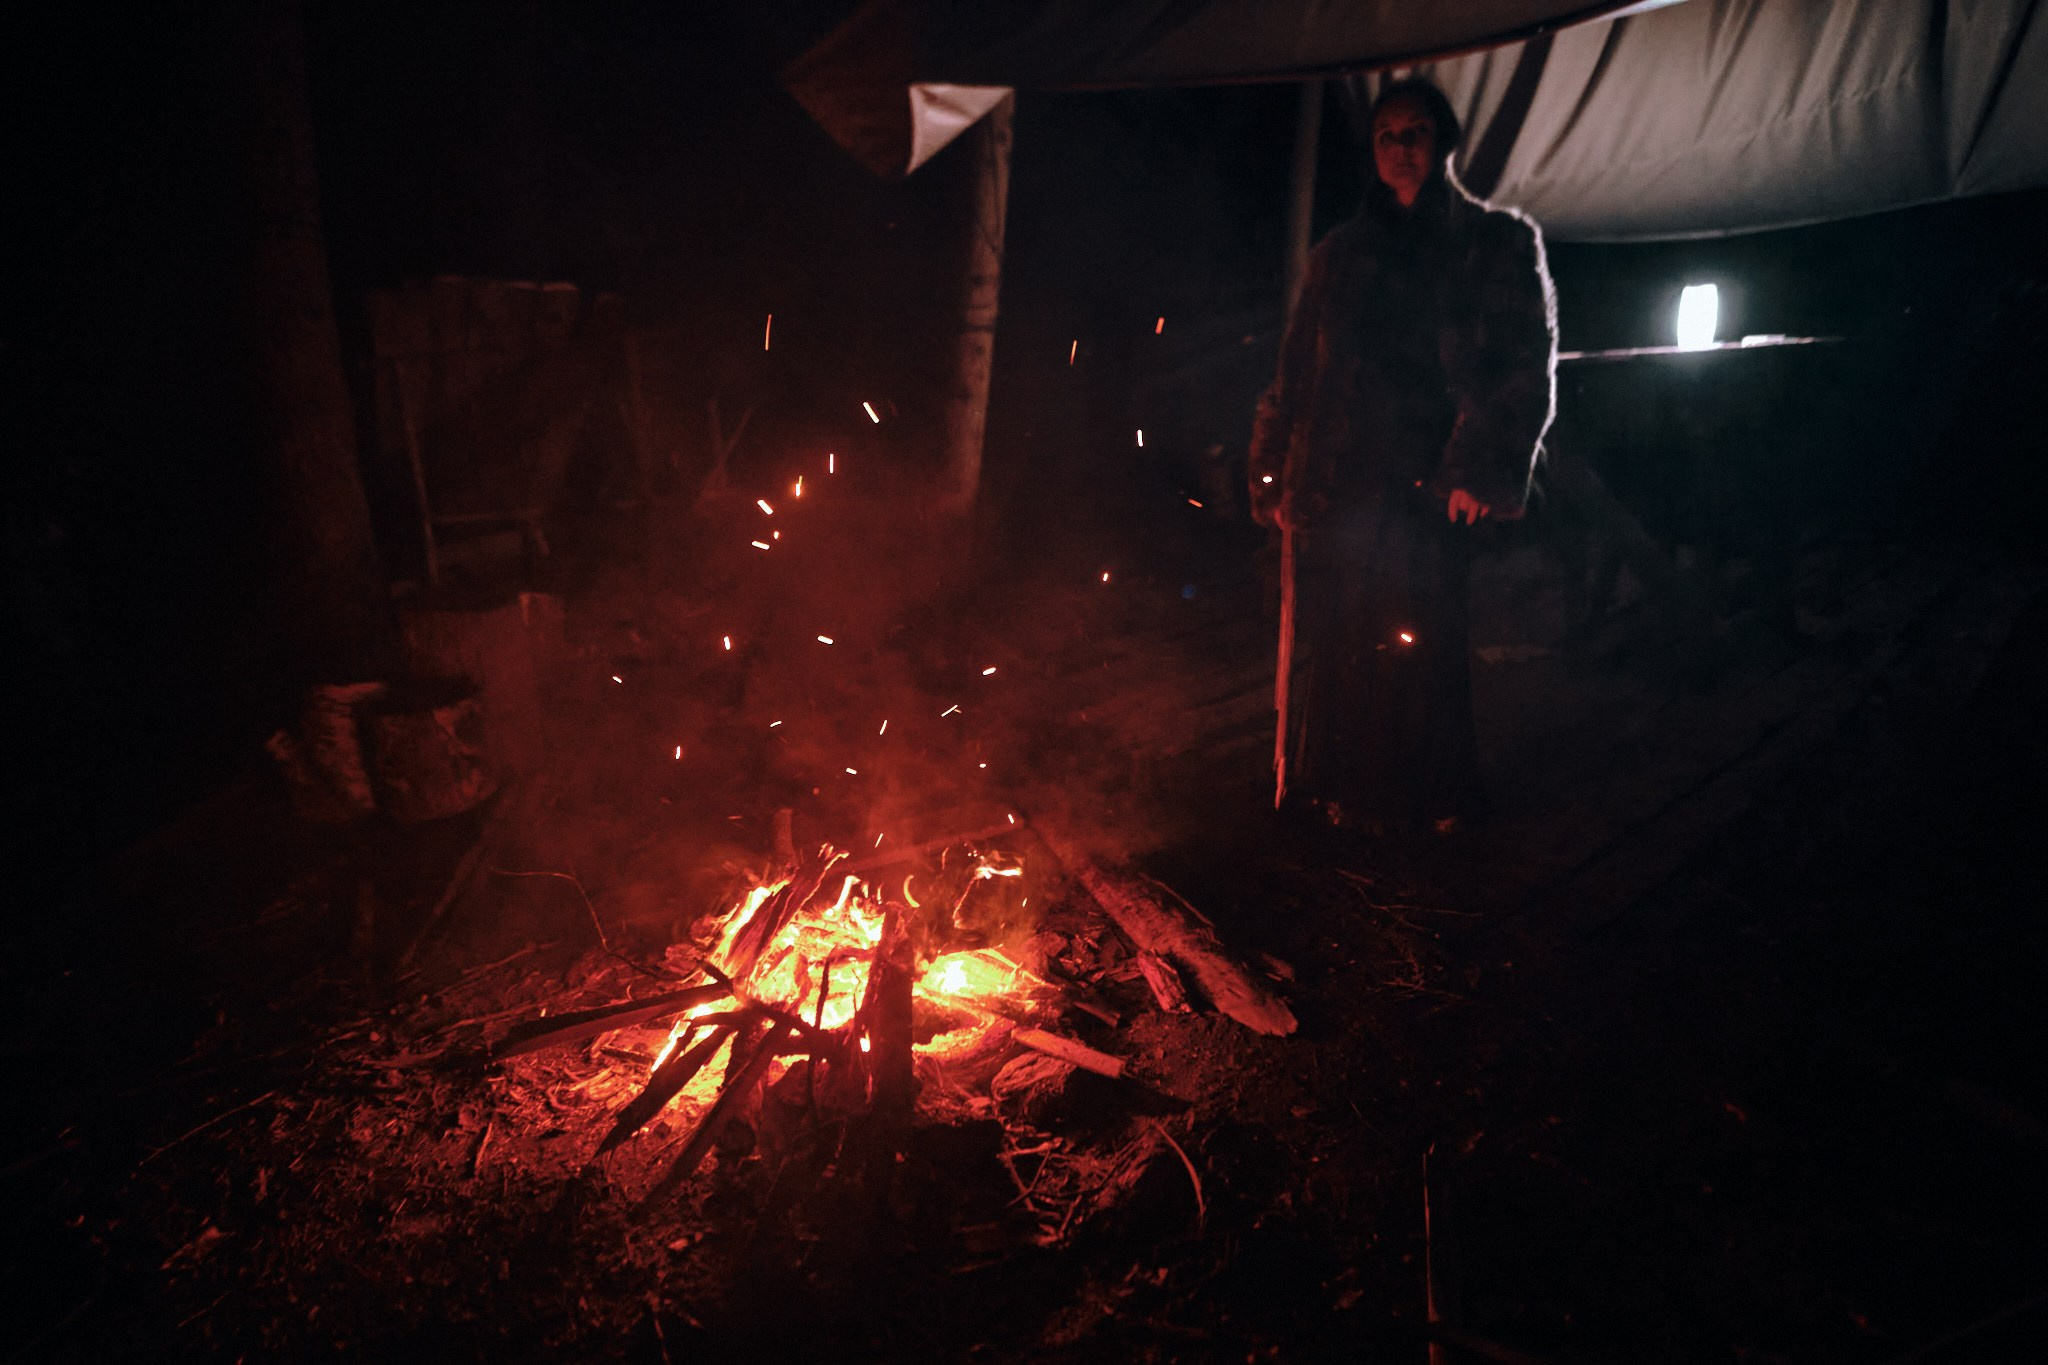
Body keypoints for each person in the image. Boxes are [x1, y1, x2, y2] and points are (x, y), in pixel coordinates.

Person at [1250, 79, 1557, 834]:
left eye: (1416, 132)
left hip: (1434, 474)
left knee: (1427, 630)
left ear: (1443, 141)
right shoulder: (1340, 256)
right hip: (1348, 470)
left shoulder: (1493, 242)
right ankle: (1354, 790)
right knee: (1351, 632)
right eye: (1387, 135)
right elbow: (1297, 371)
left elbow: (1524, 361)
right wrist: (1275, 472)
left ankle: (1441, 795)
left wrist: (1482, 466)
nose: (1402, 149)